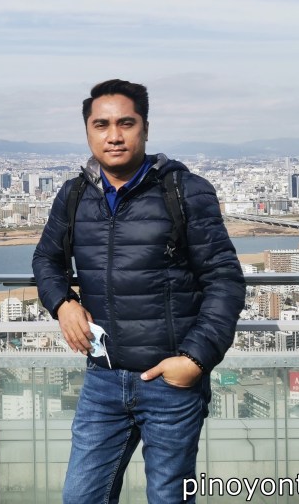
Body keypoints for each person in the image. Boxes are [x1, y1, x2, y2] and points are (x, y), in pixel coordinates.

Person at [32, 79, 245, 504]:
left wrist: (194, 360)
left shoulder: (183, 191)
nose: (113, 136)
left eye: (125, 123)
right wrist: (63, 303)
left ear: (145, 128)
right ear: (88, 132)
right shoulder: (75, 194)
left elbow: (224, 279)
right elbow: (46, 260)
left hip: (169, 381)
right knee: (81, 497)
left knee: (168, 497)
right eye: (101, 125)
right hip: (103, 379)